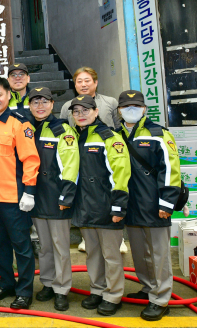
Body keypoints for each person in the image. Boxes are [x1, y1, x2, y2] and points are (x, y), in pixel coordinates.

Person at [0, 76, 40, 309]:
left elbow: (30, 159)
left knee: (21, 246)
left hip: (14, 198)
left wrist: (29, 192)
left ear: (8, 96)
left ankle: (24, 291)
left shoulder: (20, 123)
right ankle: (6, 283)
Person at [118, 90, 181, 321]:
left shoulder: (158, 133)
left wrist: (166, 203)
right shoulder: (117, 135)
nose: (131, 110)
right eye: (126, 106)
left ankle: (161, 299)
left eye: (136, 106)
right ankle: (147, 288)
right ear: (119, 111)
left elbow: (171, 170)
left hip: (155, 206)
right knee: (140, 253)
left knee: (159, 255)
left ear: (144, 109)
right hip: (131, 206)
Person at [70, 95, 131, 316]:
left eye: (85, 110)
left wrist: (118, 206)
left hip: (106, 206)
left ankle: (113, 295)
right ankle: (97, 290)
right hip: (85, 206)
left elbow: (121, 173)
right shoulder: (74, 137)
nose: (81, 114)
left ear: (96, 112)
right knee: (92, 253)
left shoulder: (109, 137)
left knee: (111, 255)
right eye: (76, 111)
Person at [59, 67, 126, 254]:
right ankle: (85, 237)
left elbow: (118, 126)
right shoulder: (66, 107)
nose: (83, 84)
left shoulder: (109, 102)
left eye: (87, 80)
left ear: (95, 82)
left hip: (104, 152)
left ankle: (117, 237)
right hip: (80, 152)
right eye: (79, 81)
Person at [26, 88, 79, 311]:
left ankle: (62, 288)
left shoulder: (62, 130)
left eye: (44, 102)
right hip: (37, 198)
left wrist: (66, 196)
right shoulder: (28, 129)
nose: (40, 106)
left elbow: (71, 164)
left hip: (57, 198)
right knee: (44, 247)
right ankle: (47, 283)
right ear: (29, 106)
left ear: (52, 104)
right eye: (35, 102)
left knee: (60, 247)